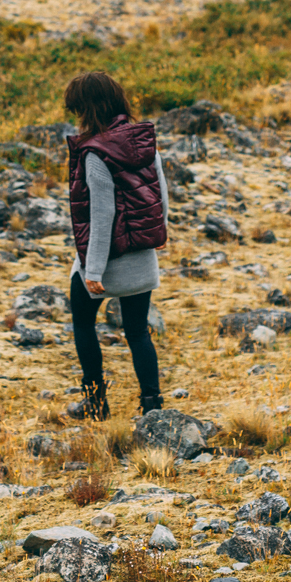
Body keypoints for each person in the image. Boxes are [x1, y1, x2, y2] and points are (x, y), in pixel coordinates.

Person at [64, 69, 169, 420]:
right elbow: (161, 195)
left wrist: (92, 271)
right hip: (141, 256)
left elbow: (102, 215)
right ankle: (152, 404)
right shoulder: (142, 140)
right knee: (138, 331)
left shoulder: (95, 154)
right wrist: (159, 234)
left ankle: (96, 402)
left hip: (107, 261)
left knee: (83, 323)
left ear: (88, 109)